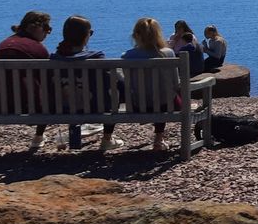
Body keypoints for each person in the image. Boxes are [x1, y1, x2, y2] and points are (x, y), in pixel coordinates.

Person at [50, 15, 124, 151]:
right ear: (85, 36)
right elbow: (116, 82)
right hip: (95, 107)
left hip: (61, 107)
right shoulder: (96, 57)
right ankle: (107, 139)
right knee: (115, 91)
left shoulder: (54, 59)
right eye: (90, 33)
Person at [0, 11, 53, 149]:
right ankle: (38, 137)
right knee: (49, 91)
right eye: (47, 29)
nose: (48, 33)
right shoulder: (38, 49)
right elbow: (47, 79)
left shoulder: (3, 45)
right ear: (36, 27)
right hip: (30, 106)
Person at [122, 17, 180, 151]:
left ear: (136, 35)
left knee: (158, 94)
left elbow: (127, 82)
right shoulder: (168, 53)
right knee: (164, 94)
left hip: (138, 105)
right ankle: (158, 140)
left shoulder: (127, 56)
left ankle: (106, 138)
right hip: (166, 105)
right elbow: (175, 83)